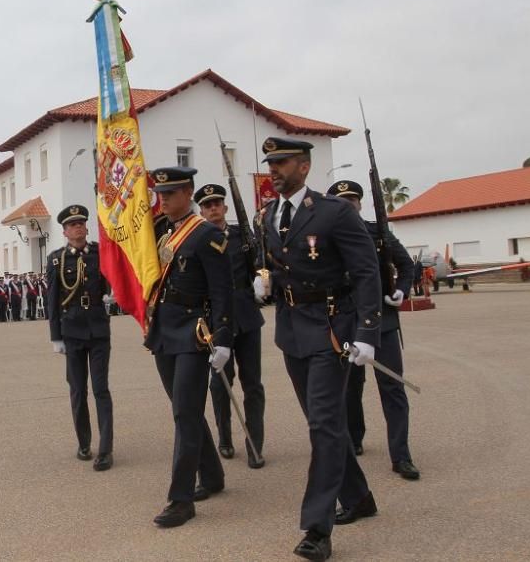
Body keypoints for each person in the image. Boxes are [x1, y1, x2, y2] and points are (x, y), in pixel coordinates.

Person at [257, 138, 381, 560]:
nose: (274, 170)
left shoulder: (334, 212)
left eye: (282, 163)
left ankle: (317, 528)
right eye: (270, 163)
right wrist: (264, 284)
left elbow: (367, 273)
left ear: (305, 167)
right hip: (292, 329)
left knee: (323, 426)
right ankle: (360, 496)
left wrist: (367, 331)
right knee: (323, 423)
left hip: (332, 328)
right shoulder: (269, 215)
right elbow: (281, 266)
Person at [144, 167, 234, 528]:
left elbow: (222, 291)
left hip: (194, 333)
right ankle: (212, 475)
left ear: (189, 193)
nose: (162, 199)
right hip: (165, 331)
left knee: (184, 412)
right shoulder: (162, 231)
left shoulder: (206, 235)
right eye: (160, 194)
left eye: (171, 193)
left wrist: (223, 338)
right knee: (186, 409)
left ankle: (181, 499)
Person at [328, 180, 420, 481]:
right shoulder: (327, 238)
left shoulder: (378, 232)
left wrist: (402, 291)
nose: (349, 205)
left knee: (392, 386)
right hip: (346, 321)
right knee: (350, 386)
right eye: (342, 201)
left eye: (353, 200)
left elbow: (408, 266)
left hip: (383, 320)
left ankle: (401, 455)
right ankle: (354, 439)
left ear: (360, 204)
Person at [196, 183, 267, 468]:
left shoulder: (243, 236)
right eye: (207, 205)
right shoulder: (198, 239)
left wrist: (262, 277)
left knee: (253, 384)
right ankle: (225, 437)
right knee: (220, 384)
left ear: (225, 208)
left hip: (247, 317)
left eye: (217, 204)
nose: (213, 209)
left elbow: (260, 263)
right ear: (201, 211)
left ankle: (254, 443)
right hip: (216, 323)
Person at [46, 205, 114, 472]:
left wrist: (114, 292)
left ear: (87, 227)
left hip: (98, 330)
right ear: (64, 231)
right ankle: (84, 442)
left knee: (101, 390)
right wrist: (56, 337)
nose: (77, 227)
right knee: (77, 391)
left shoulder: (101, 253)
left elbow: (115, 276)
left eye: (81, 223)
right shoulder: (56, 260)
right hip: (72, 332)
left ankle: (106, 449)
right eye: (72, 224)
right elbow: (52, 301)